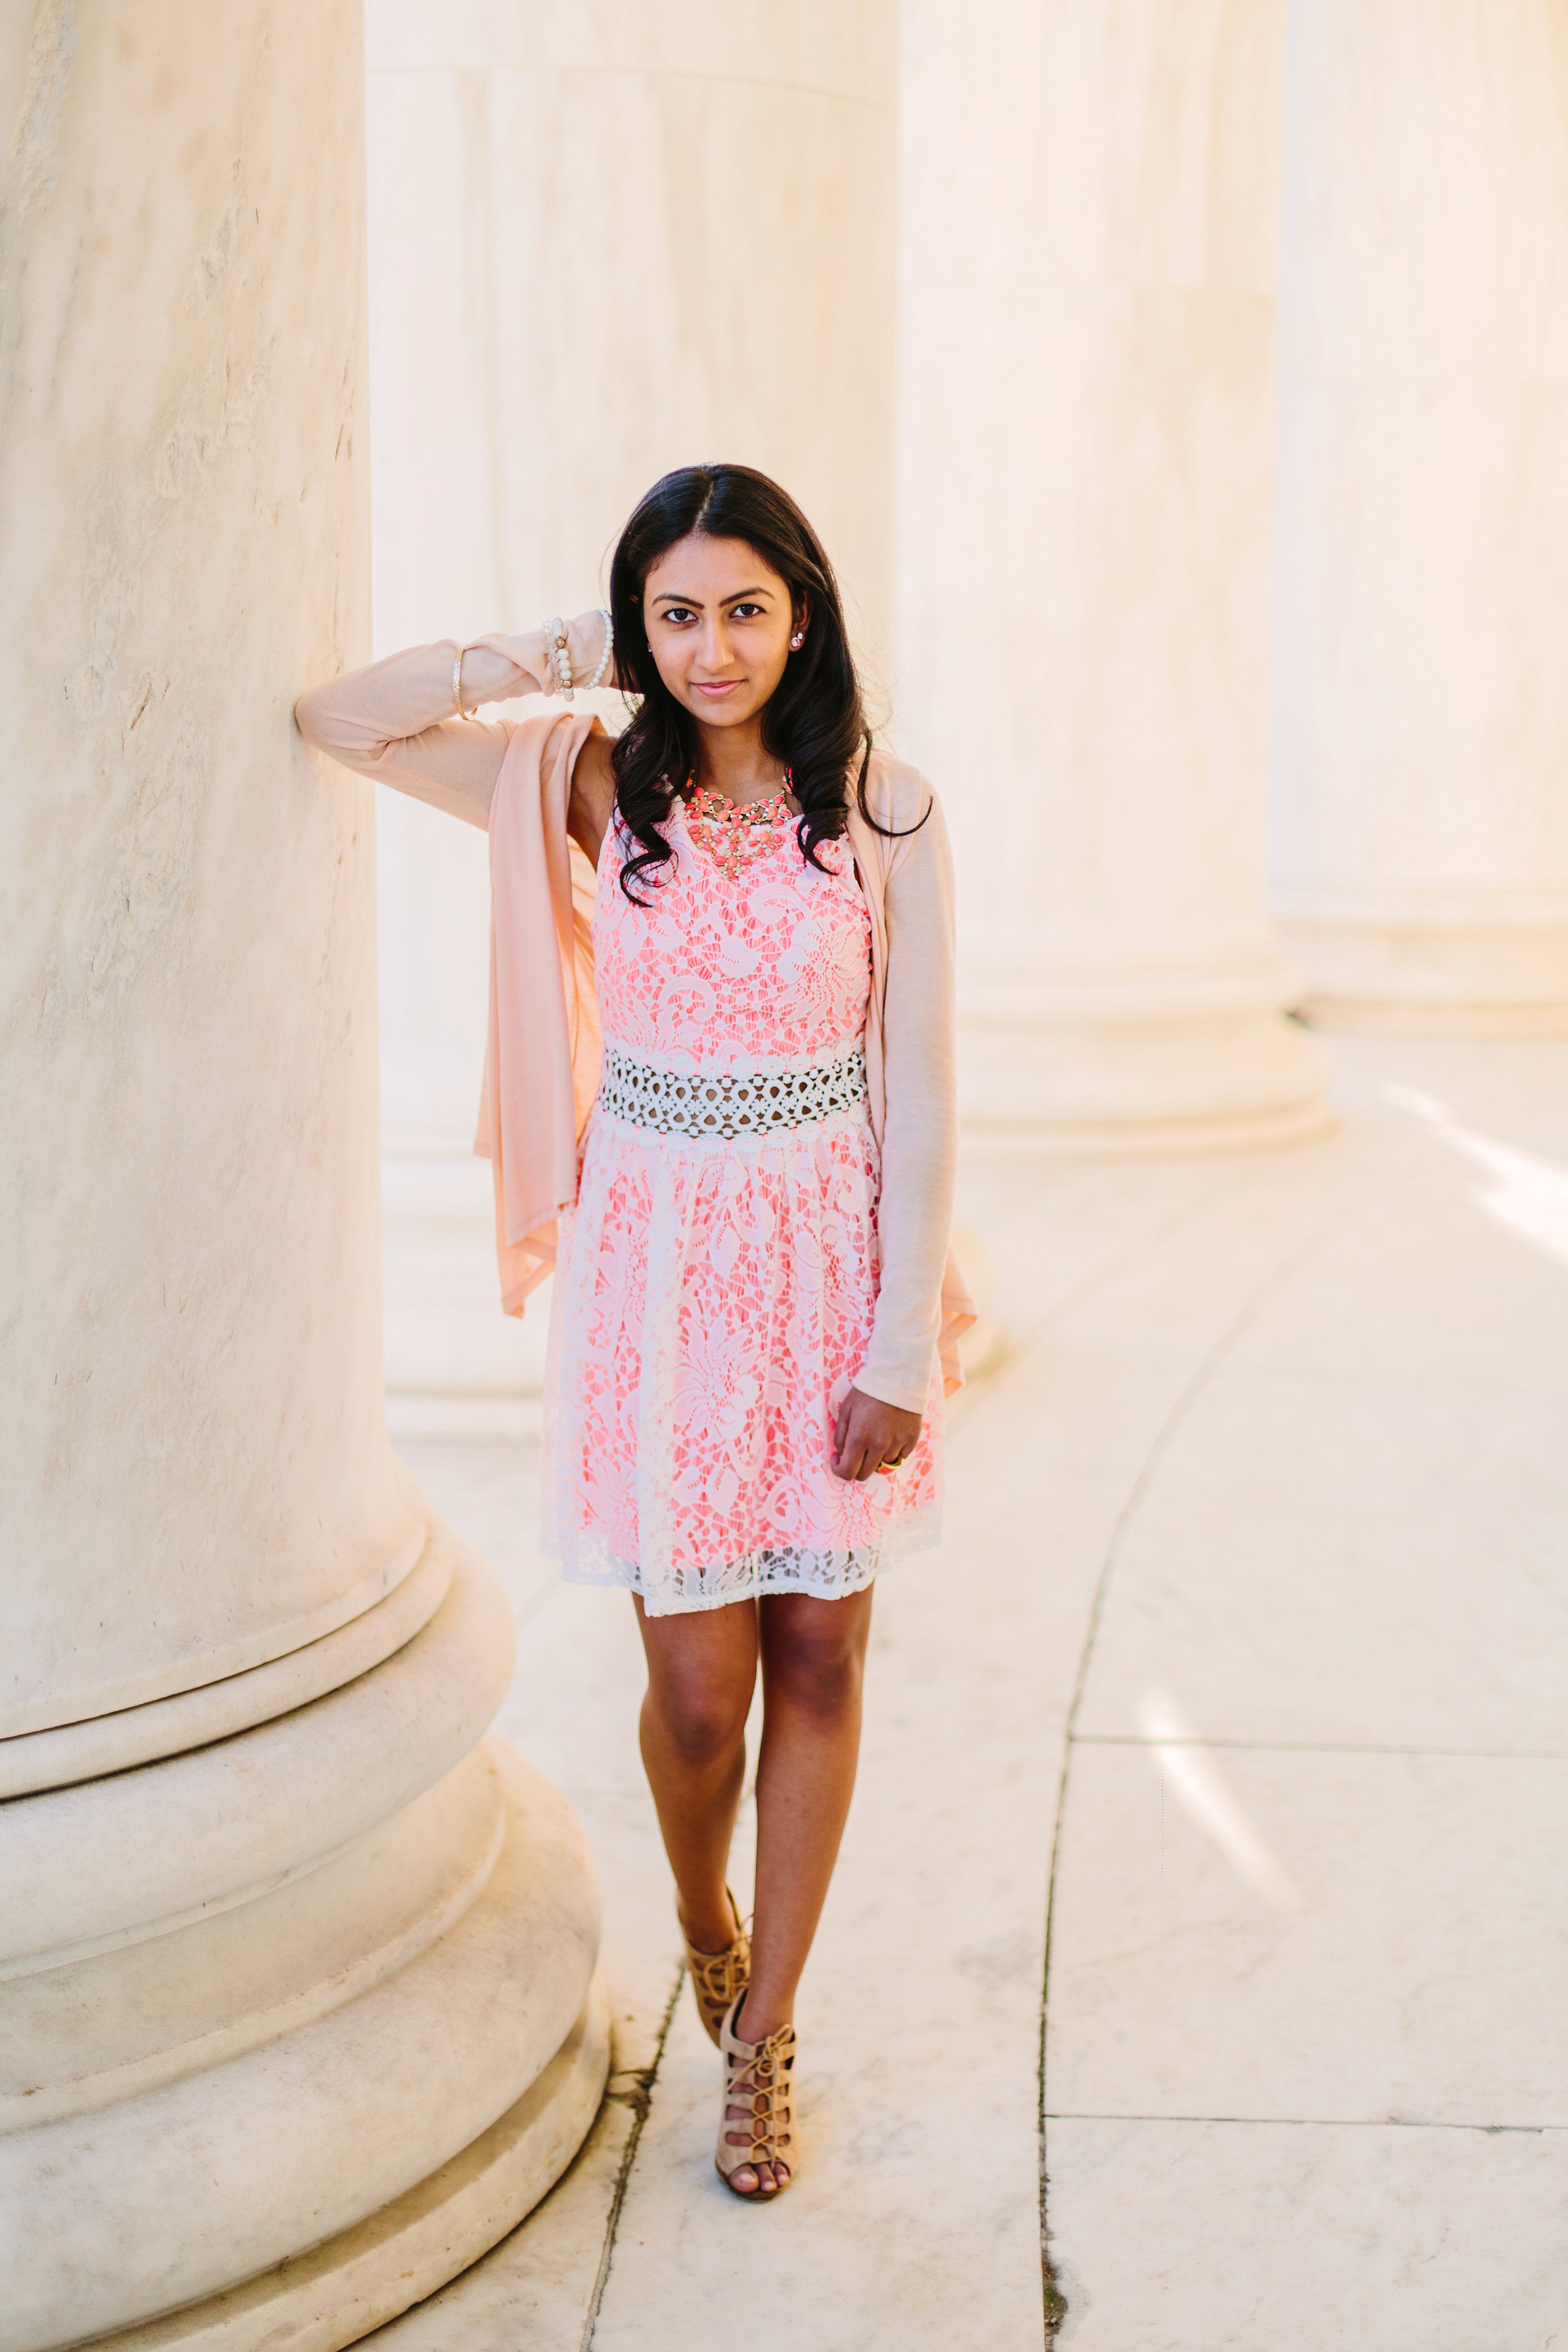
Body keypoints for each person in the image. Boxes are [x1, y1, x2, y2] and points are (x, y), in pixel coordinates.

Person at [297, 463, 969, 2201]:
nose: (713, 643)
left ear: (800, 613)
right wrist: (562, 648)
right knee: (695, 1692)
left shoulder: (883, 812)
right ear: (635, 627)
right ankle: (702, 1917)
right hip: (660, 1276)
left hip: (828, 1267)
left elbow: (923, 1085)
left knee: (819, 1653)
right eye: (675, 612)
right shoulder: (598, 789)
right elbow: (343, 719)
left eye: (744, 606)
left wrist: (898, 1337)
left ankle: (764, 2041)